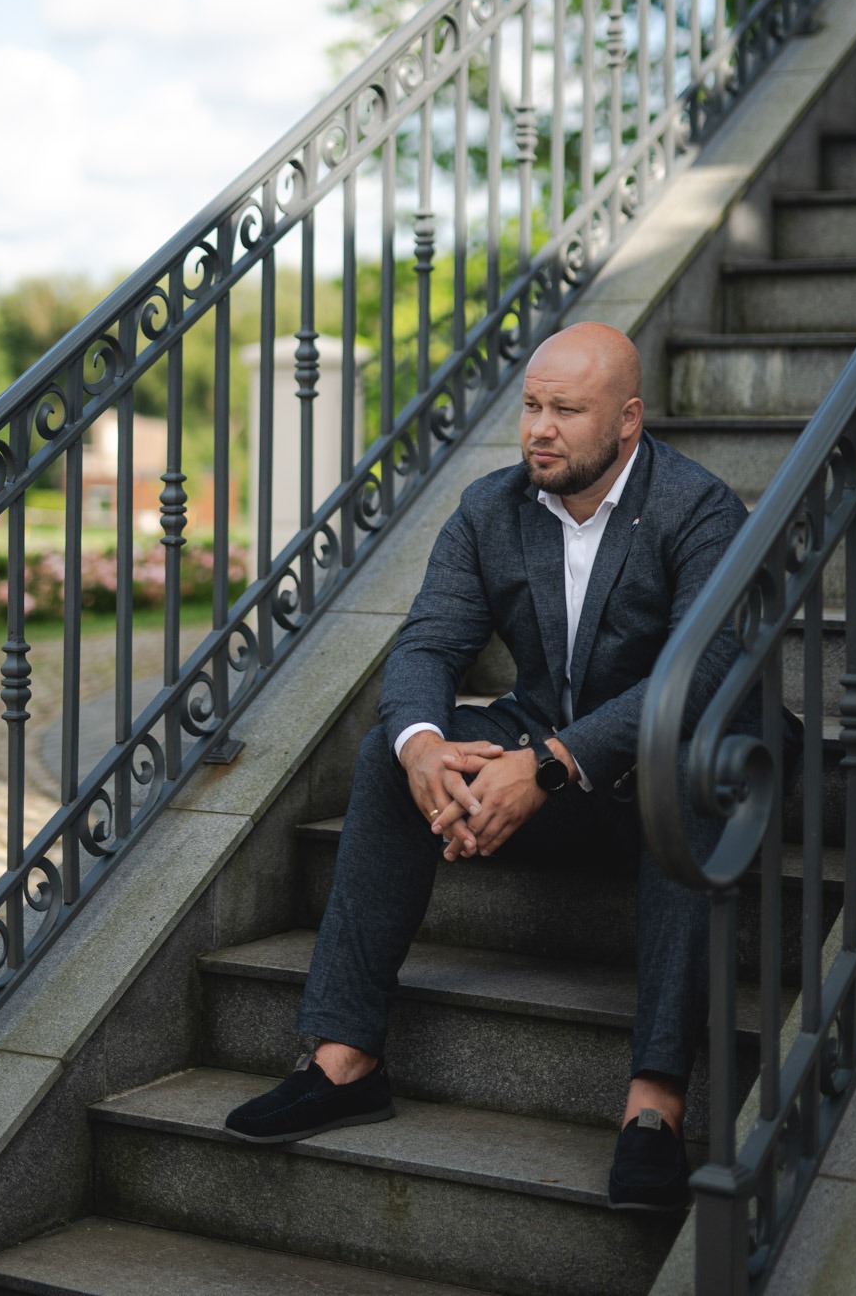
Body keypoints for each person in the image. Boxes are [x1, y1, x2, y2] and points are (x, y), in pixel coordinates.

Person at [225, 320, 750, 1212]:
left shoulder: (698, 510)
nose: (539, 429)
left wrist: (546, 764)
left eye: (565, 411)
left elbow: (695, 676)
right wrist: (424, 747)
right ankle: (345, 1060)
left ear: (627, 420)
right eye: (531, 406)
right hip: (550, 751)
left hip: (677, 765)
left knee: (690, 766)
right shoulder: (490, 509)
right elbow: (429, 642)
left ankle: (653, 1107)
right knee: (388, 755)